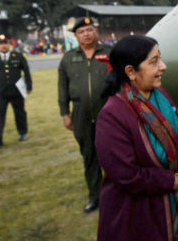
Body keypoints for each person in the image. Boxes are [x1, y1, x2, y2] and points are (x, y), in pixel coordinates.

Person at [95, 35, 178, 241]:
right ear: (131, 72)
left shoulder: (162, 97)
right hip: (140, 215)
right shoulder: (112, 115)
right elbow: (127, 176)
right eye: (154, 62)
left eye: (160, 58)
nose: (163, 66)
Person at [58, 18, 112, 213]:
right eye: (81, 32)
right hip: (80, 113)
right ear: (76, 36)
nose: (86, 34)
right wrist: (65, 113)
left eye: (90, 30)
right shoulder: (68, 58)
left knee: (113, 154)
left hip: (107, 110)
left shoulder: (110, 53)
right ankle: (95, 196)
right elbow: (62, 87)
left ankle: (118, 193)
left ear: (96, 32)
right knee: (89, 155)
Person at [0, 34, 32, 146]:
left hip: (16, 91)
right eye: (1, 44)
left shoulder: (18, 56)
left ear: (9, 44)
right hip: (1, 92)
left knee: (19, 113)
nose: (3, 46)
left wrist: (29, 86)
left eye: (5, 43)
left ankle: (23, 132)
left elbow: (26, 71)